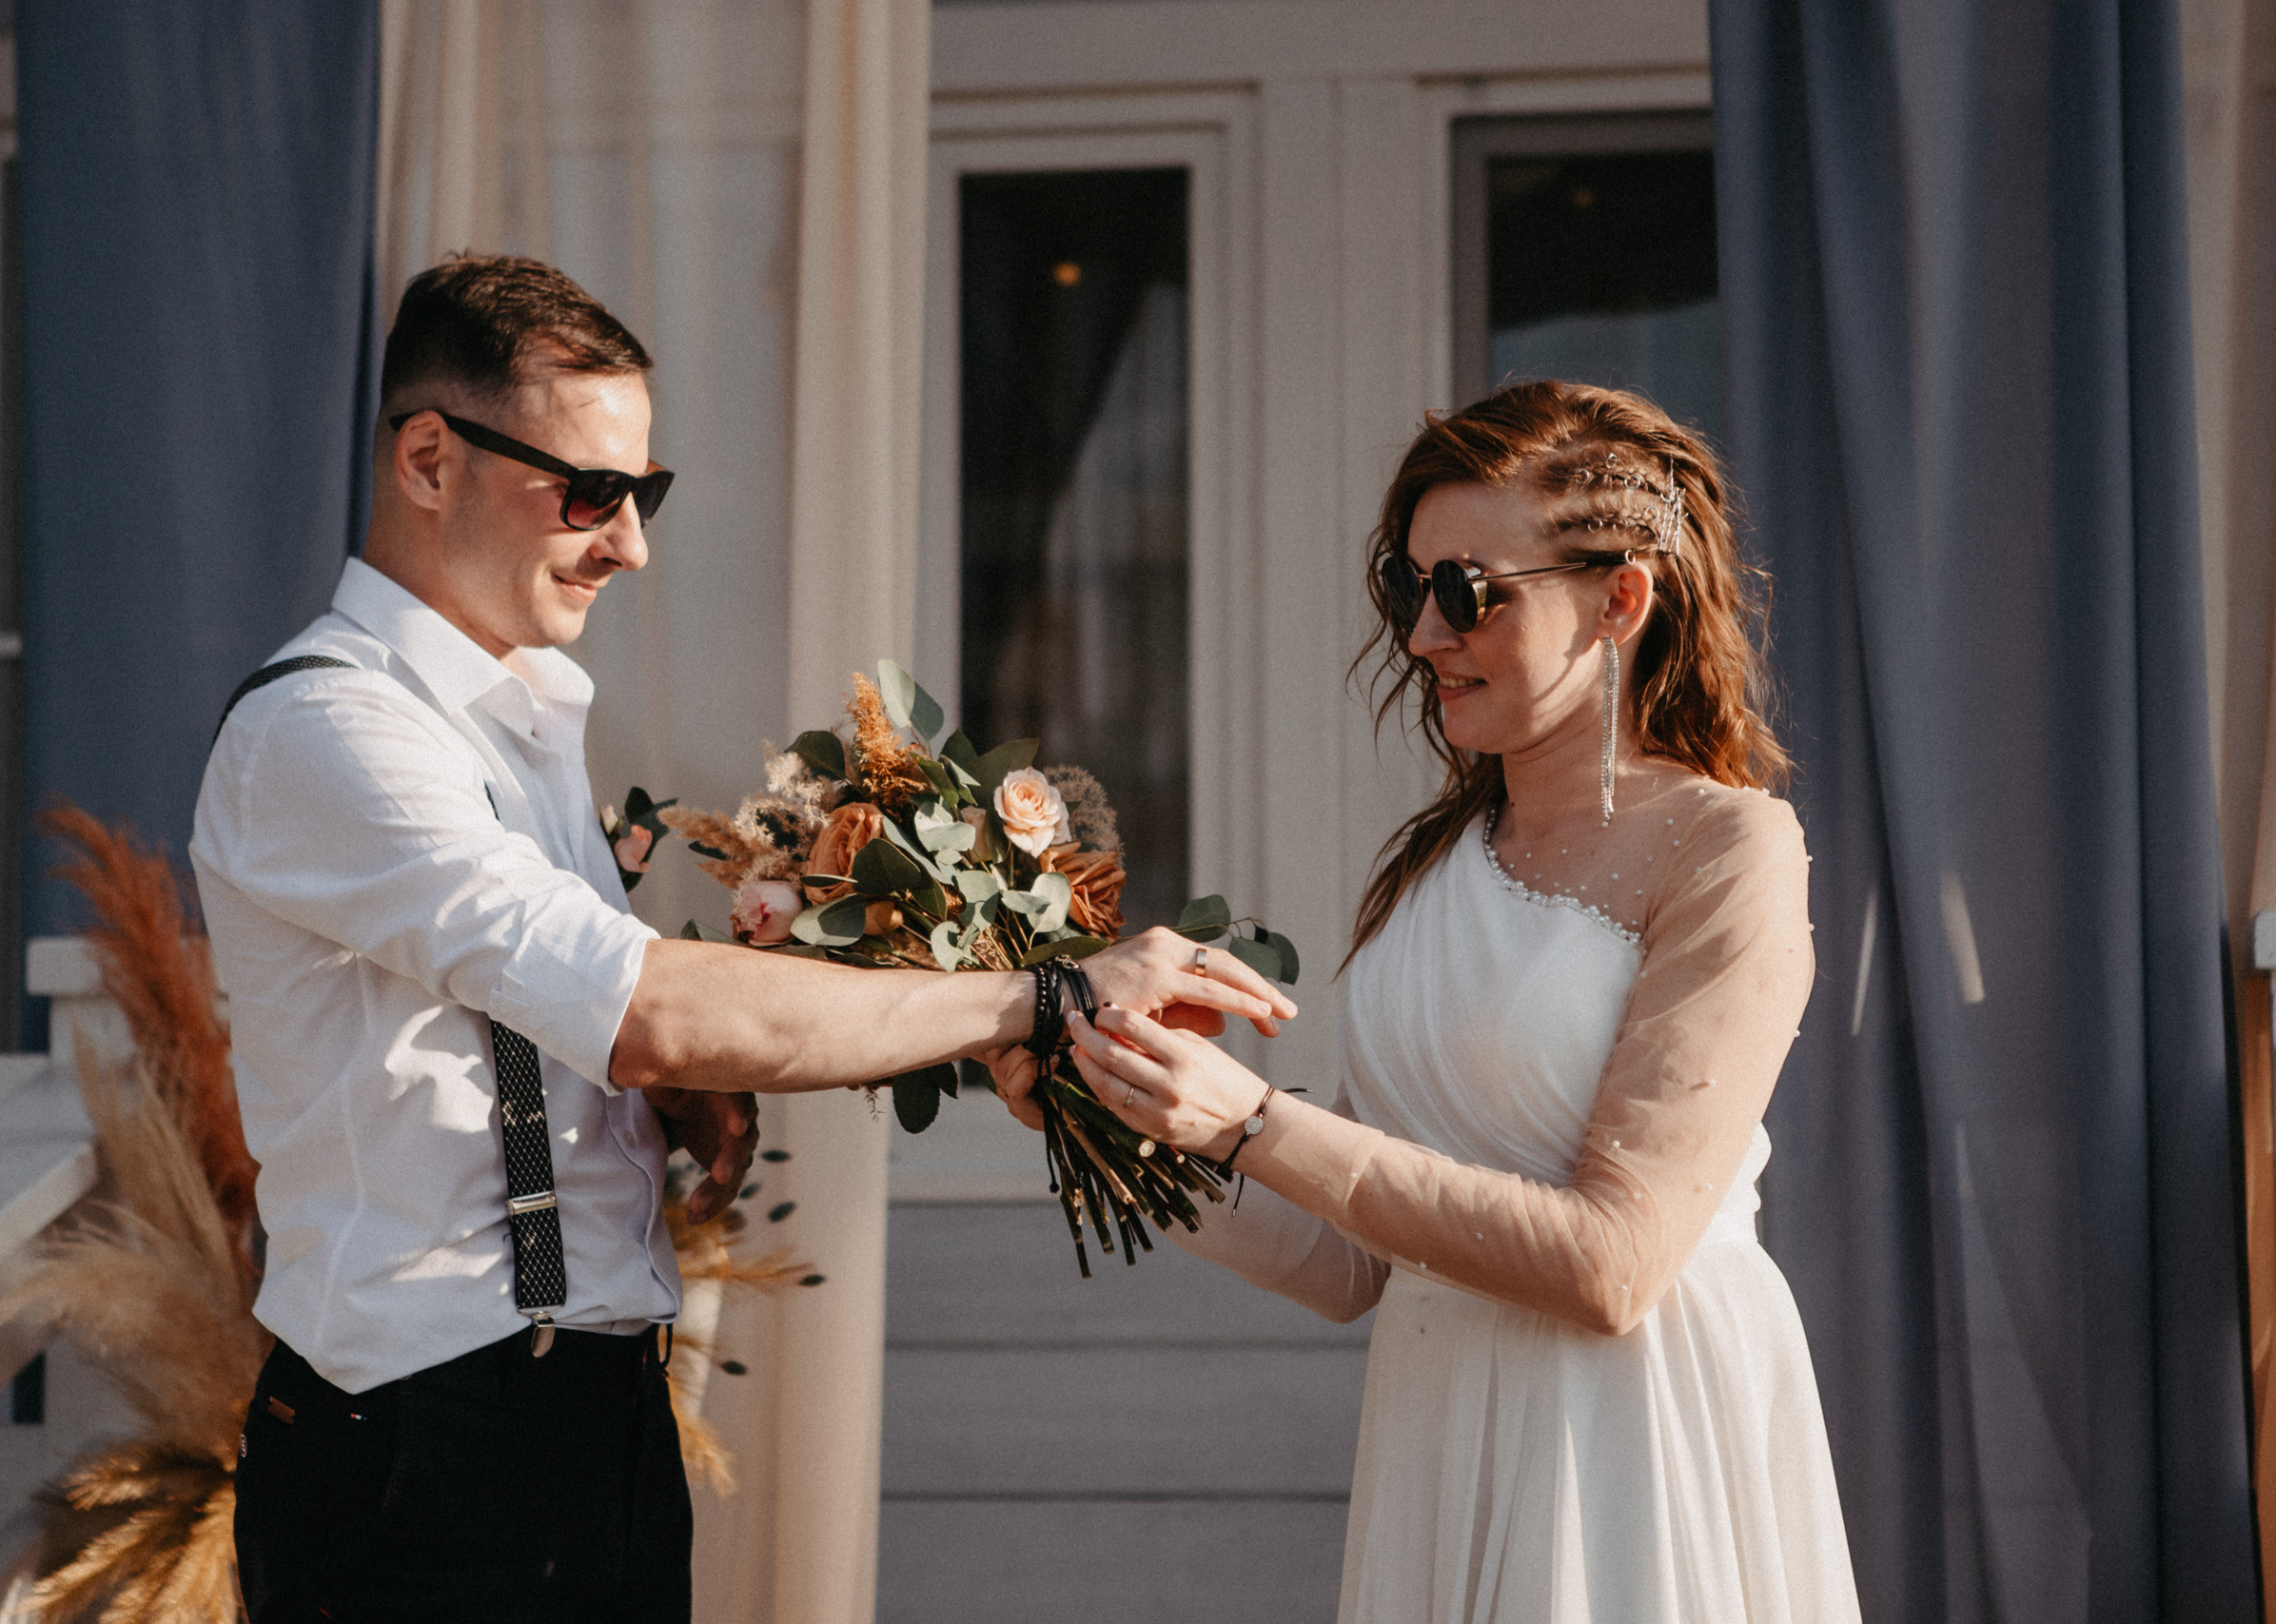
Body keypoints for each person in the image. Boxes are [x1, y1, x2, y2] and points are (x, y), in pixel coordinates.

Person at [193, 254, 1295, 1624]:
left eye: (644, 495)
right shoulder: (327, 728)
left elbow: (543, 1027)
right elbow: (637, 1005)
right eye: (591, 493)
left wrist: (663, 1094)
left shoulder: (521, 717)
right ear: (429, 459)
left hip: (586, 1411)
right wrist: (1036, 997)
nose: (631, 543)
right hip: (419, 1435)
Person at [995, 382, 1861, 1622]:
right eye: (1411, 590)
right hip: (1443, 1425)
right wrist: (1118, 1124)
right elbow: (1354, 1259)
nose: (1422, 636)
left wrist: (1249, 1118)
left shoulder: (1730, 852)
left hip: (1630, 1440)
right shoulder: (1436, 866)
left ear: (1621, 601)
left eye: (1469, 593)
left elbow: (1614, 1265)